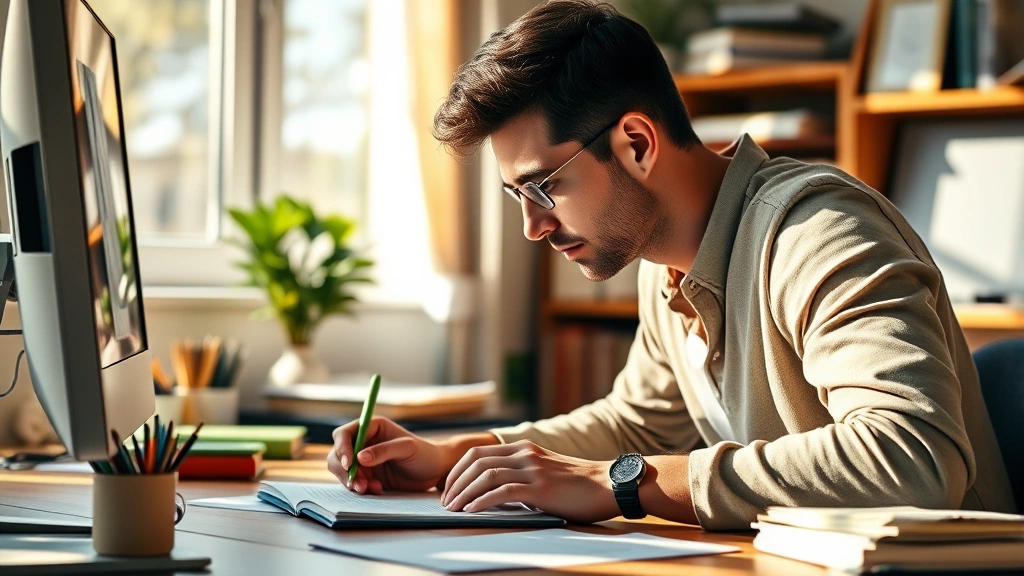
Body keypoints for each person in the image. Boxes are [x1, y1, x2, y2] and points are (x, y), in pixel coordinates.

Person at [327, 0, 1016, 530]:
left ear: (635, 143)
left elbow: (912, 460)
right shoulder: (665, 268)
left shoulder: (818, 232)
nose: (533, 226)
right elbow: (636, 425)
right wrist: (456, 456)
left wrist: (623, 482)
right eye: (516, 195)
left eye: (544, 187)